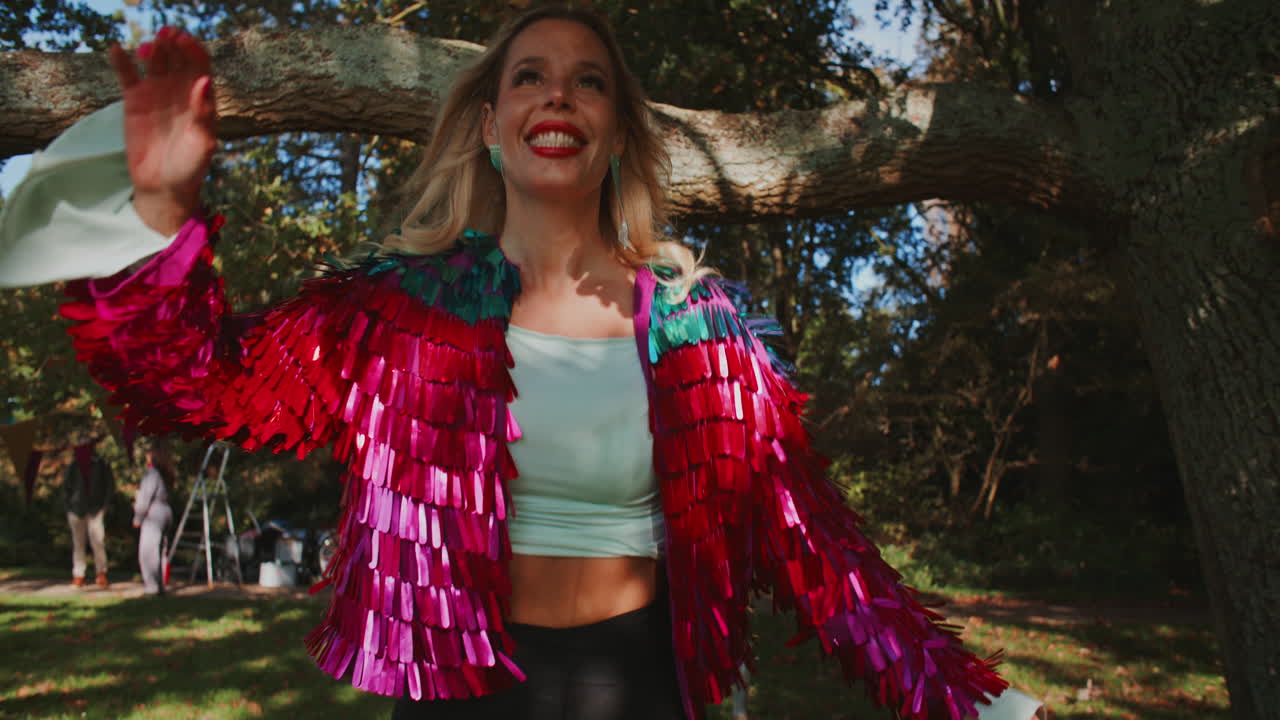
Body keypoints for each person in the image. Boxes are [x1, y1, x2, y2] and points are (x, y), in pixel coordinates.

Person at [2, 6, 1043, 720]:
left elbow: (821, 556)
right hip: (460, 692)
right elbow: (190, 385)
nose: (559, 96)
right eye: (530, 78)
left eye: (589, 83)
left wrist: (976, 699)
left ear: (616, 136)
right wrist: (159, 209)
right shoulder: (393, 311)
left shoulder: (701, 326)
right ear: (491, 126)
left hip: (641, 685)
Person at [63, 446, 114, 588]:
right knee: (78, 544)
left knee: (98, 543)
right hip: (76, 510)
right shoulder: (73, 466)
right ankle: (79, 575)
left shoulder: (101, 465)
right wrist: (69, 508)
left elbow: (109, 486)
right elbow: (66, 488)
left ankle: (101, 574)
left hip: (96, 510)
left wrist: (104, 507)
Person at [134, 437, 174, 595]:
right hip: (166, 511)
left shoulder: (152, 473)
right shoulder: (166, 473)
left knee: (148, 551)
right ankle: (160, 584)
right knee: (160, 551)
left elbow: (145, 498)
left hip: (154, 514)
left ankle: (152, 586)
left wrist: (138, 517)